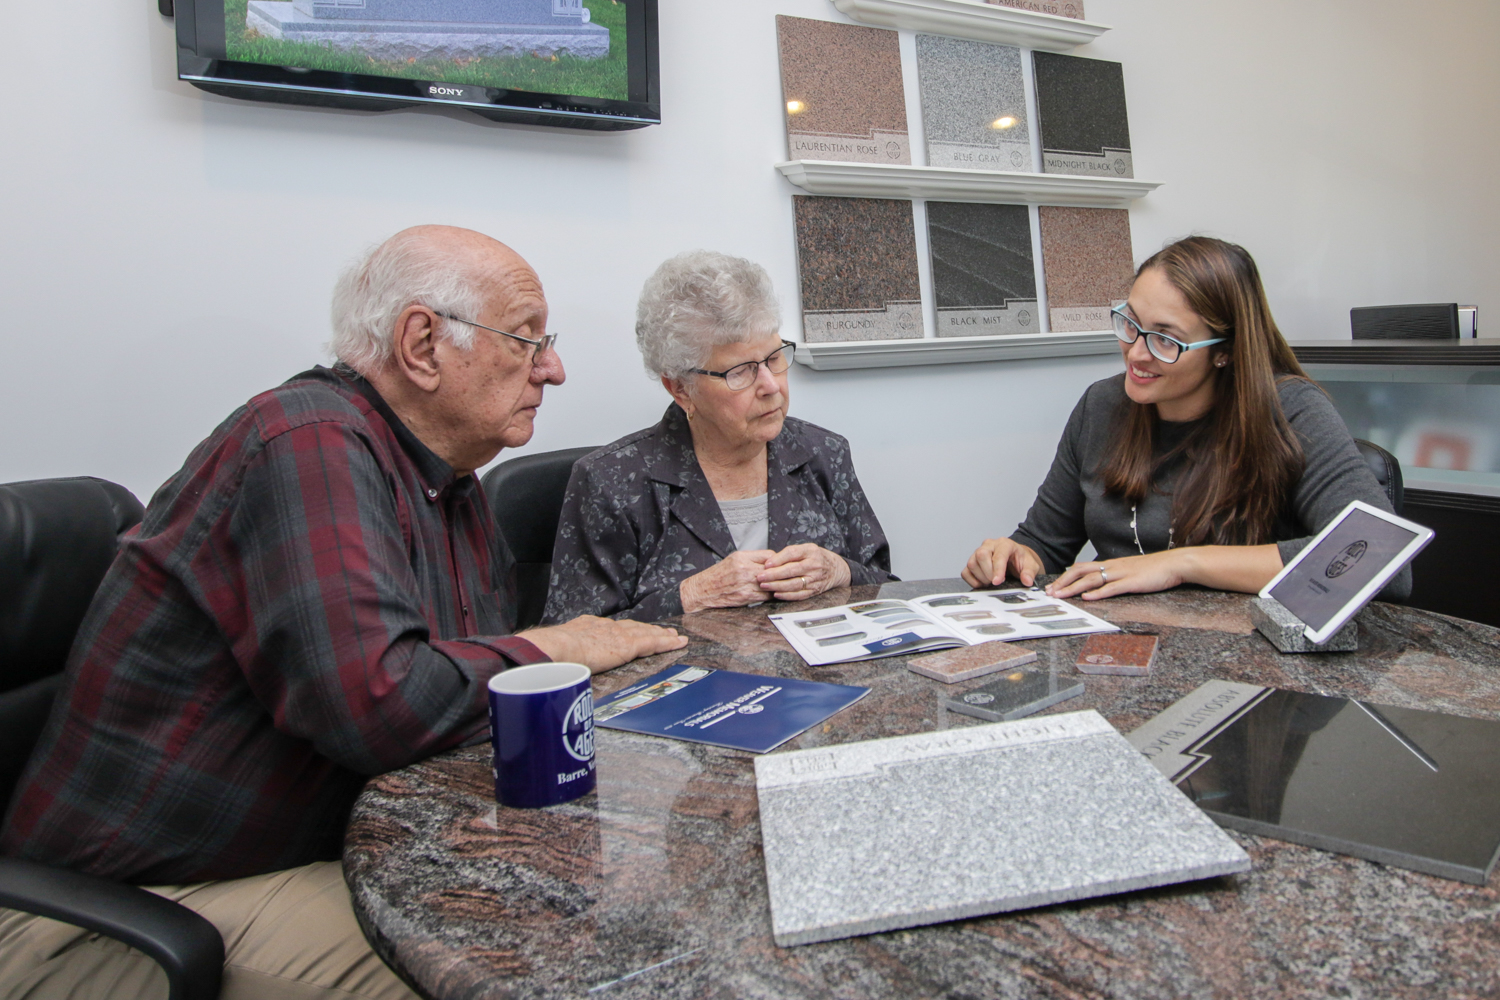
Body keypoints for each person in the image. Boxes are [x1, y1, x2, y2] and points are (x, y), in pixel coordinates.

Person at [0, 226, 686, 1000]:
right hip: (128, 909)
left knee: (614, 918)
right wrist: (555, 646)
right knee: (518, 976)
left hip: (309, 853)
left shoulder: (450, 486)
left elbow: (461, 699)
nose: (553, 369)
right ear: (422, 344)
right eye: (527, 340)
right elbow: (383, 707)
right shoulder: (303, 439)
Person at [962, 235, 1411, 603]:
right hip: (1122, 655)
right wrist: (1013, 556)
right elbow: (1044, 545)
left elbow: (1380, 560)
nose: (1136, 353)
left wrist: (1180, 564)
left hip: (1253, 667)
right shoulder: (1101, 407)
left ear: (1224, 352)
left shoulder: (1291, 411)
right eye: (1131, 324)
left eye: (1165, 340)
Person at [543, 250, 895, 623]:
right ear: (681, 389)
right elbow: (566, 643)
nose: (770, 386)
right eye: (740, 371)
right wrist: (691, 596)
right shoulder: (612, 482)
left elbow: (887, 590)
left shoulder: (823, 453)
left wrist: (841, 571)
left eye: (775, 357)